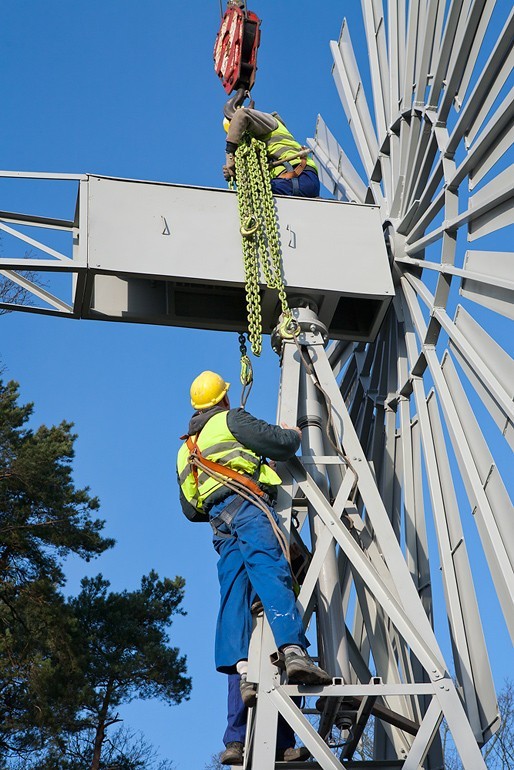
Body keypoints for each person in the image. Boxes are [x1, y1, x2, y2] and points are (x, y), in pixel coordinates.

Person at [177, 371, 331, 763]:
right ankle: (294, 651)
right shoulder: (232, 420)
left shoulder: (185, 449)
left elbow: (190, 509)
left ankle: (238, 728)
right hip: (248, 510)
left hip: (219, 526)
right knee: (272, 574)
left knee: (235, 606)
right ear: (223, 399)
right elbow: (279, 444)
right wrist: (292, 434)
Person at [222, 106, 320, 197]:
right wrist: (236, 173)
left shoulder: (270, 123)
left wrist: (230, 153)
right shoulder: (256, 149)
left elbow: (241, 114)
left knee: (253, 195)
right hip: (293, 182)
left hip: (299, 176)